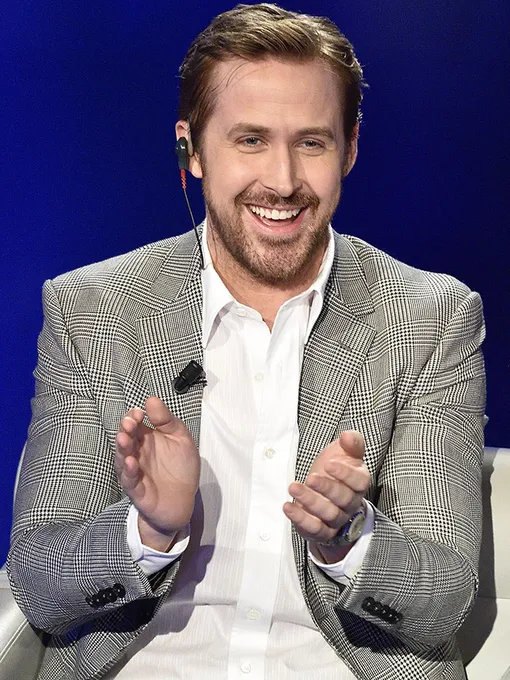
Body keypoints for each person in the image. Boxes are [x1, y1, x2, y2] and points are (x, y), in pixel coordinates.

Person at [7, 4, 486, 680]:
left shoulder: (429, 320)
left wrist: (348, 538)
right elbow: (39, 581)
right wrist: (147, 531)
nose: (283, 182)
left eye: (312, 143)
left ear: (350, 147)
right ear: (192, 150)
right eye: (251, 140)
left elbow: (444, 600)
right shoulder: (94, 312)